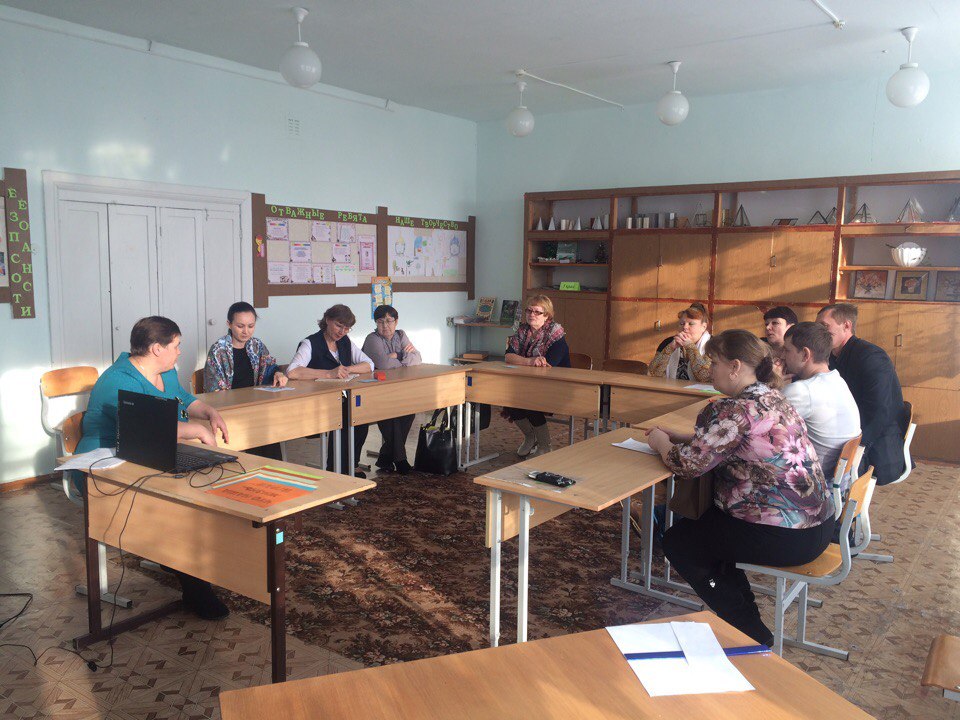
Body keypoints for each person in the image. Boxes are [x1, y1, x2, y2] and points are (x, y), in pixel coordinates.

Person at [649, 330, 834, 647]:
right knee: (710, 532)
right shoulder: (772, 398)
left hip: (784, 535)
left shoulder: (736, 411)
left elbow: (686, 465)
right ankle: (743, 616)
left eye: (714, 363)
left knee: (680, 543)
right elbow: (740, 441)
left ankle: (750, 632)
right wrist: (685, 438)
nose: (709, 370)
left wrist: (659, 442)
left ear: (735, 366)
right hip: (818, 526)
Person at [77, 316, 232, 620]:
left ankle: (181, 561)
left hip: (146, 454)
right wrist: (196, 430)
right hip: (102, 464)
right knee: (177, 509)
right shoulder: (118, 380)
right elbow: (146, 427)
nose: (179, 351)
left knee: (199, 488)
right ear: (156, 348)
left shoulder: (166, 371)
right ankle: (195, 588)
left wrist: (208, 412)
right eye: (176, 345)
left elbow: (184, 400)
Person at [817, 303, 905, 485]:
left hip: (876, 448)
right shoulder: (830, 357)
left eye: (824, 326)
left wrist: (853, 449)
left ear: (846, 325)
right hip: (845, 434)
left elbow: (879, 412)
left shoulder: (871, 356)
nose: (819, 333)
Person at [287, 304, 374, 477]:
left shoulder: (345, 342)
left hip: (341, 398)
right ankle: (337, 468)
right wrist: (328, 373)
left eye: (347, 328)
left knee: (360, 415)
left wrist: (347, 369)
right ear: (327, 320)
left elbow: (369, 364)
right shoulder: (310, 343)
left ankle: (350, 464)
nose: (342, 332)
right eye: (339, 325)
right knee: (345, 416)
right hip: (317, 401)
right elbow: (292, 371)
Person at [203, 301, 287, 459]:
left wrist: (277, 373)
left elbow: (269, 366)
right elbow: (213, 391)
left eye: (251, 326)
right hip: (230, 409)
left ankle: (270, 469)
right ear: (229, 324)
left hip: (255, 405)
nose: (246, 331)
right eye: (240, 326)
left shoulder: (256, 345)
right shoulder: (219, 350)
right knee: (259, 426)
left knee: (269, 426)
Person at [781, 322, 861, 481]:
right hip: (841, 480)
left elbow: (758, 423)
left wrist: (772, 381)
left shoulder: (803, 390)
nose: (782, 356)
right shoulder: (836, 379)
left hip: (817, 482)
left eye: (787, 350)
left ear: (805, 354)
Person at [503, 295, 571, 457]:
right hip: (528, 382)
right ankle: (530, 436)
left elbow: (547, 366)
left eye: (537, 312)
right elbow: (509, 357)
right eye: (529, 310)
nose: (531, 314)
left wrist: (525, 362)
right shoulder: (522, 331)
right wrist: (530, 361)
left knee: (529, 401)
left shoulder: (555, 335)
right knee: (509, 399)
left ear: (547, 315)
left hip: (557, 385)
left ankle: (545, 445)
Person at [361, 305, 422, 474]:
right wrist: (403, 356)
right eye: (380, 322)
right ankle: (400, 460)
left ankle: (386, 458)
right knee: (392, 415)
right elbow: (383, 364)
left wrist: (397, 356)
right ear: (376, 323)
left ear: (396, 322)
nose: (385, 326)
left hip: (397, 389)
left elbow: (417, 358)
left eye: (389, 321)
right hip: (374, 391)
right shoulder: (372, 339)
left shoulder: (401, 335)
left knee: (409, 412)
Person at [648, 303, 712, 382]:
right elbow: (652, 373)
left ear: (704, 327)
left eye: (691, 324)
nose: (685, 327)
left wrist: (690, 347)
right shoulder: (668, 343)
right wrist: (670, 348)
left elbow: (707, 377)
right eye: (682, 323)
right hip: (670, 389)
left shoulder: (713, 345)